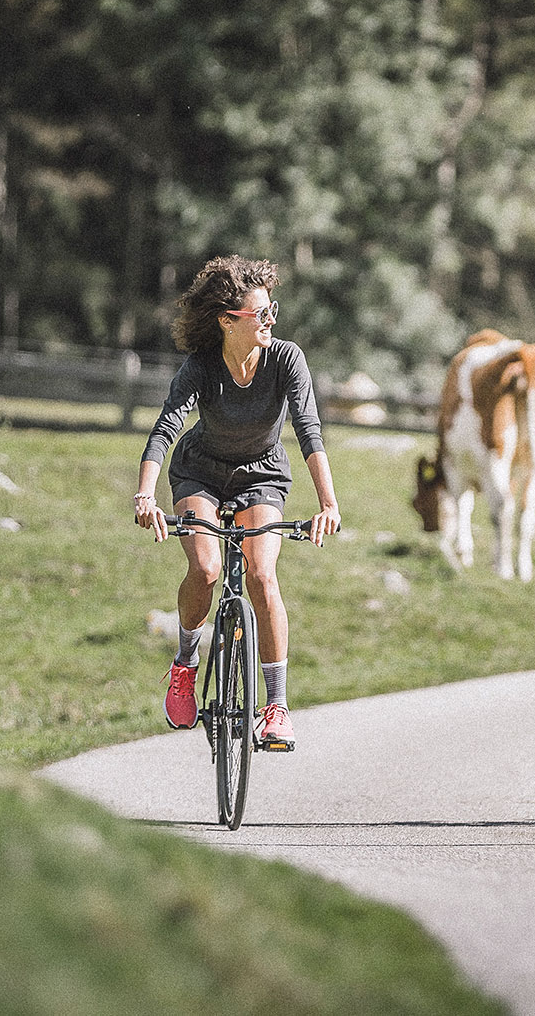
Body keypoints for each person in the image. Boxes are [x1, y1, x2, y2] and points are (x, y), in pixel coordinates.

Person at [134, 256, 342, 752]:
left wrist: (328, 504)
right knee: (205, 569)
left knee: (262, 574)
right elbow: (165, 429)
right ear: (228, 320)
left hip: (263, 475)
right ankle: (185, 665)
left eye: (273, 311)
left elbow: (308, 431)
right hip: (200, 474)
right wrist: (145, 493)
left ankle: (276, 707)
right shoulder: (201, 366)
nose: (271, 320)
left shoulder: (286, 359)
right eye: (261, 314)